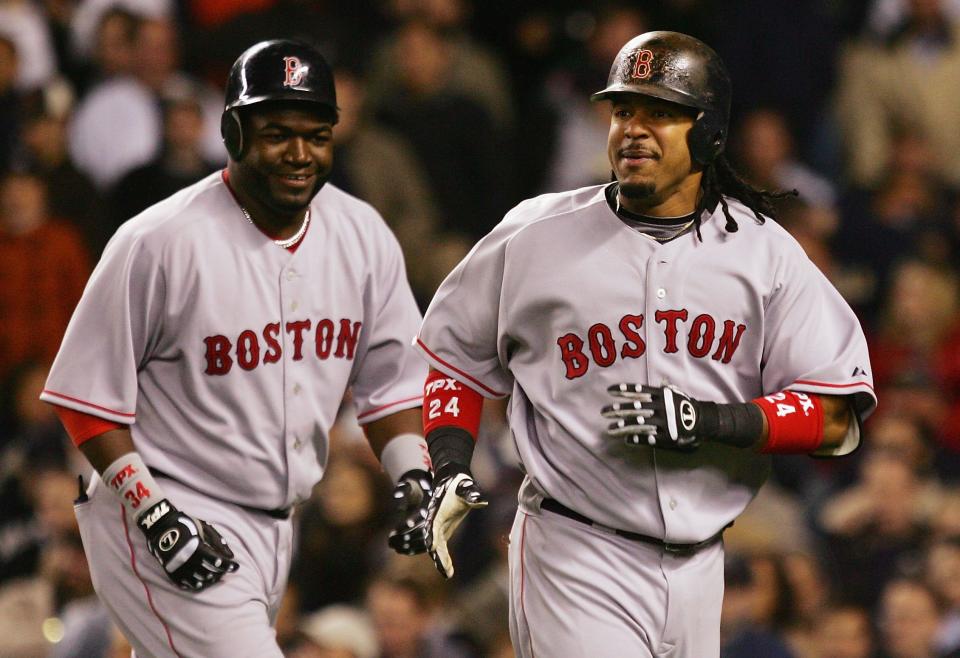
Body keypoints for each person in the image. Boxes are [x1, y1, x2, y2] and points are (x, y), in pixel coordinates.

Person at [407, 31, 876, 657]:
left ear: (708, 133)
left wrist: (714, 420)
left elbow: (834, 415)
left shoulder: (764, 254)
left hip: (703, 563)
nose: (633, 129)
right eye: (623, 110)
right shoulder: (535, 235)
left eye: (660, 113)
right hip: (574, 549)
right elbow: (453, 361)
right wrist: (447, 464)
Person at [39, 39, 434, 657]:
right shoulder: (160, 241)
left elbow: (391, 385)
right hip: (164, 504)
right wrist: (154, 514)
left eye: (317, 134)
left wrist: (412, 477)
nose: (299, 153)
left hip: (277, 523)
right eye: (277, 132)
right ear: (232, 131)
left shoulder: (362, 235)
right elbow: (86, 399)